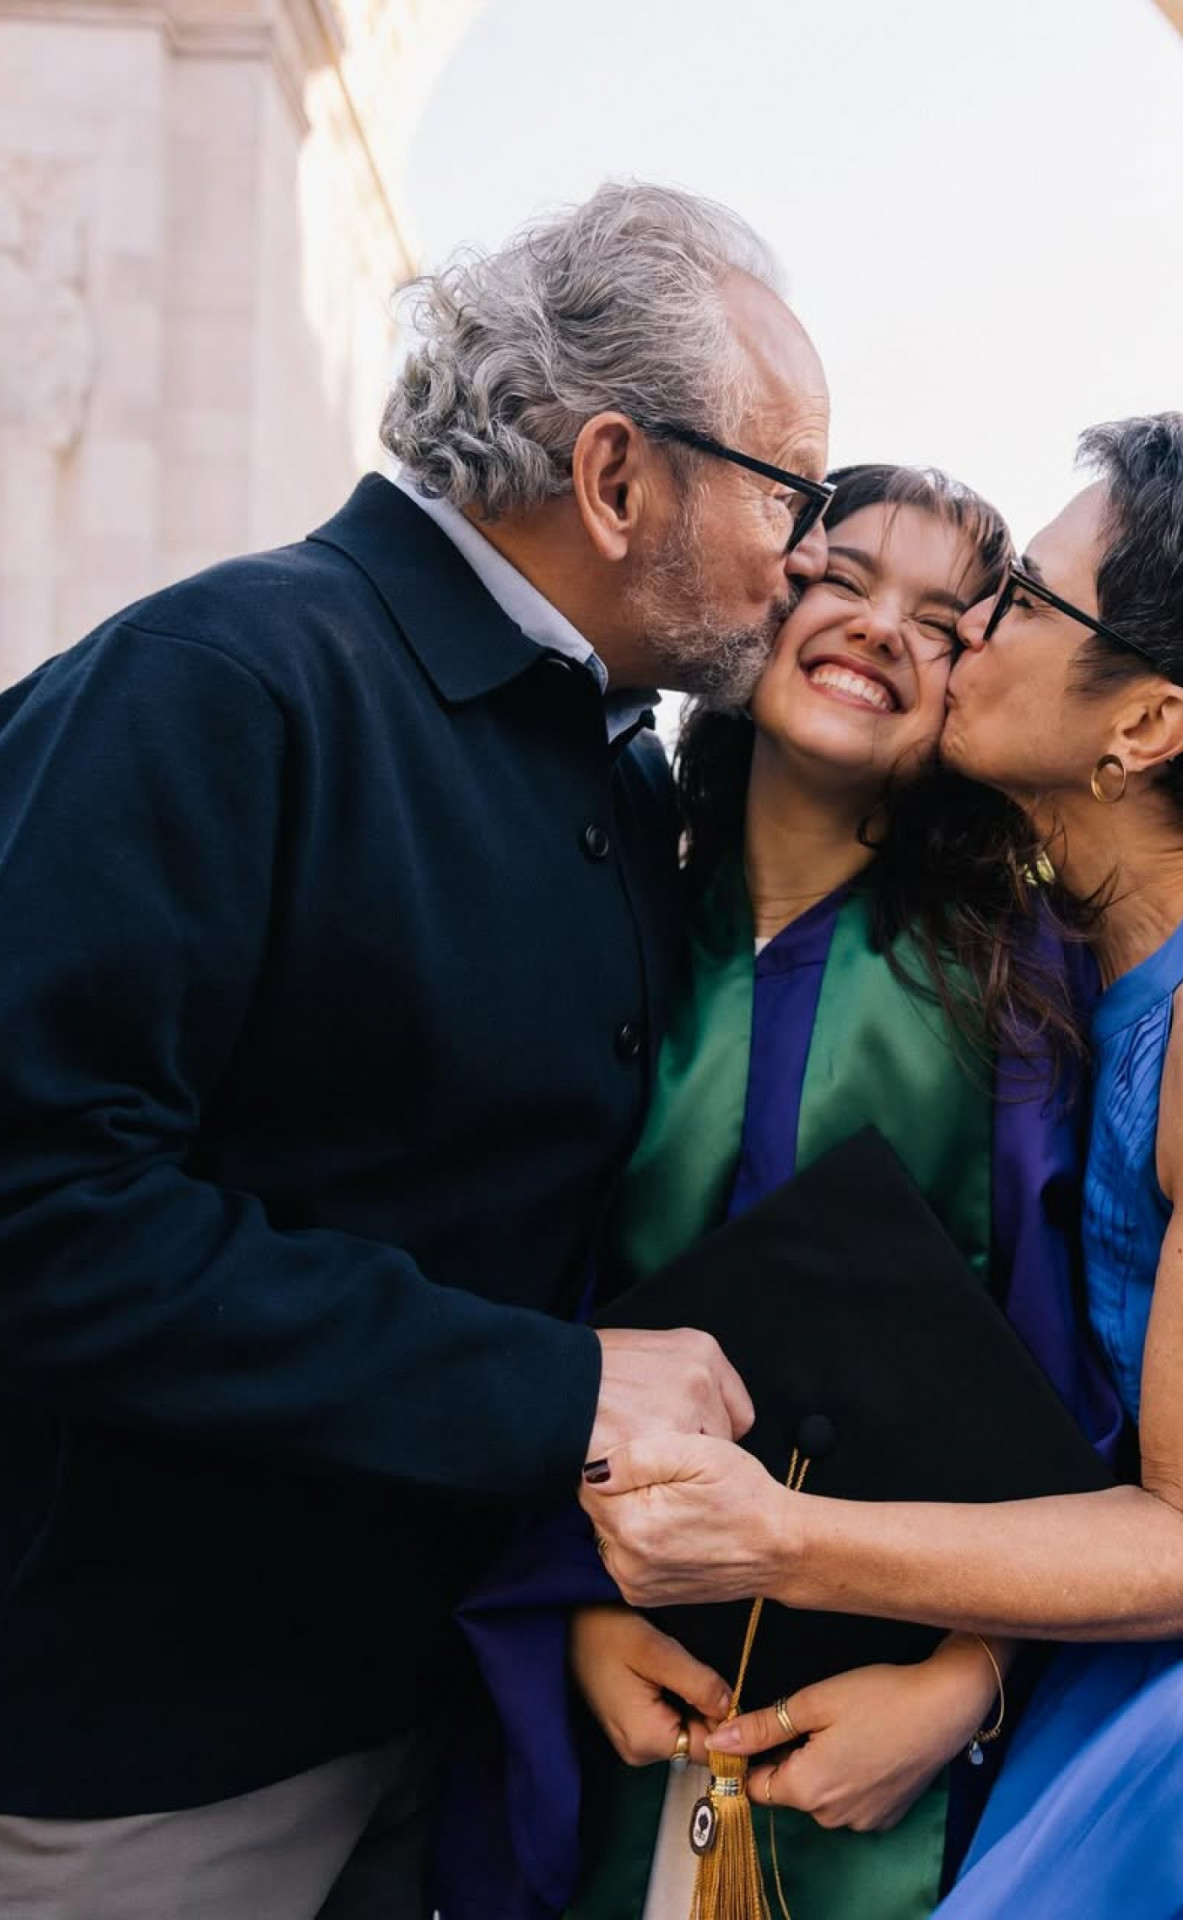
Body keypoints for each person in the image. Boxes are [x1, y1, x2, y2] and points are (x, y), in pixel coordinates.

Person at [0, 182, 831, 1919]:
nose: (810, 551)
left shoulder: (612, 767)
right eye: (791, 490)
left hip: (434, 1717)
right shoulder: (220, 683)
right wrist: (560, 1393)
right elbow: (30, 1208)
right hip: (144, 1764)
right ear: (615, 475)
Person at [451, 466, 1120, 1920]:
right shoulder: (605, 929)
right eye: (844, 574)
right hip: (622, 1671)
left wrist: (969, 1681)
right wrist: (564, 1602)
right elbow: (510, 1298)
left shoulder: (1014, 984)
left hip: (901, 1708)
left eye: (946, 620)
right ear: (762, 591)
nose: (882, 626)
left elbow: (1063, 1372)